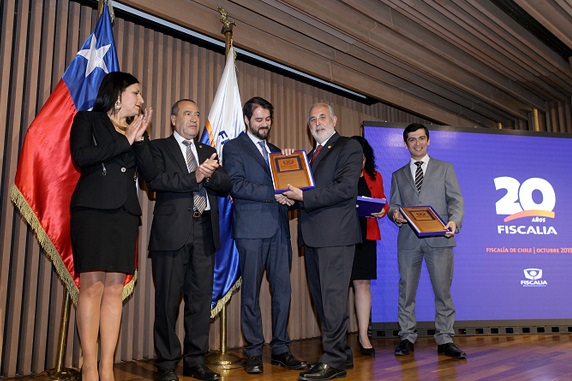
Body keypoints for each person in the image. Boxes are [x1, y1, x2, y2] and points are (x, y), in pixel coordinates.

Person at [134, 99, 230, 381]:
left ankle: (195, 361)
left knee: (200, 302)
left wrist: (209, 176)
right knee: (167, 302)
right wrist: (196, 175)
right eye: (188, 113)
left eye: (197, 114)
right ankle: (165, 364)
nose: (194, 118)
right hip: (171, 235)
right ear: (174, 119)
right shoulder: (159, 148)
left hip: (204, 233)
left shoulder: (208, 150)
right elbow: (156, 181)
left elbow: (225, 184)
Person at [70, 71, 153, 381]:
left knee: (115, 289)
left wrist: (140, 138)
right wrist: (125, 140)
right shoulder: (87, 120)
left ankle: (107, 365)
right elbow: (82, 156)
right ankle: (89, 364)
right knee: (92, 287)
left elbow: (152, 174)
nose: (141, 100)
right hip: (92, 210)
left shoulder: (136, 131)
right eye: (136, 93)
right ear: (118, 95)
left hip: (124, 214)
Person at [222, 96, 306, 374]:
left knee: (283, 292)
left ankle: (281, 348)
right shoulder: (233, 147)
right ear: (247, 120)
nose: (264, 124)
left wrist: (292, 194)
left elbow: (290, 192)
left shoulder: (278, 151)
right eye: (258, 119)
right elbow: (237, 185)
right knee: (251, 294)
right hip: (251, 231)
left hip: (280, 230)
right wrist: (275, 194)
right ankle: (254, 352)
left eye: (268, 119)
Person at [282, 103, 363, 381]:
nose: (317, 122)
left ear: (334, 120)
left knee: (333, 300)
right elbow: (305, 192)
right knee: (323, 301)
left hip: (336, 236)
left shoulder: (348, 147)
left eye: (322, 117)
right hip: (314, 237)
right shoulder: (310, 155)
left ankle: (334, 360)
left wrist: (303, 197)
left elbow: (344, 188)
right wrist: (289, 197)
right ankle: (339, 355)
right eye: (313, 119)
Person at [388, 123, 466, 359]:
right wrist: (396, 214)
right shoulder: (398, 175)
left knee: (443, 292)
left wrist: (454, 222)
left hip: (440, 240)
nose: (417, 143)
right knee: (406, 292)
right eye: (412, 139)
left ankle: (445, 339)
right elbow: (393, 205)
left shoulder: (445, 168)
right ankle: (406, 337)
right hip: (409, 241)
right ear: (405, 144)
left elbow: (456, 201)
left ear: (428, 140)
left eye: (421, 138)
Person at [349, 135, 389, 358]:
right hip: (341, 236)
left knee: (362, 284)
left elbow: (383, 200)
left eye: (362, 155)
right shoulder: (341, 174)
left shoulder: (375, 176)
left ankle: (363, 335)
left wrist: (383, 209)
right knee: (336, 285)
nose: (359, 159)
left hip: (366, 235)